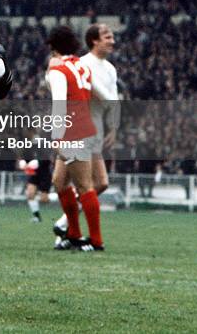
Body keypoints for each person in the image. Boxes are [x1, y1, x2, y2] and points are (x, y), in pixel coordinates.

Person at [52, 23, 119, 238]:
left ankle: (69, 229)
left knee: (75, 183)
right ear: (94, 41)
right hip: (82, 129)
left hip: (86, 130)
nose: (112, 40)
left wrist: (114, 126)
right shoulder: (82, 64)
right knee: (89, 183)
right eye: (107, 36)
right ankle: (69, 229)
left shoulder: (109, 69)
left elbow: (113, 100)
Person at [46, 26, 105, 252]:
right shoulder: (81, 65)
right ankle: (74, 233)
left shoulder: (59, 69)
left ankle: (95, 241)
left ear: (53, 48)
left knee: (84, 186)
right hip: (84, 128)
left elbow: (60, 102)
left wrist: (57, 136)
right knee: (59, 182)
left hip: (73, 132)